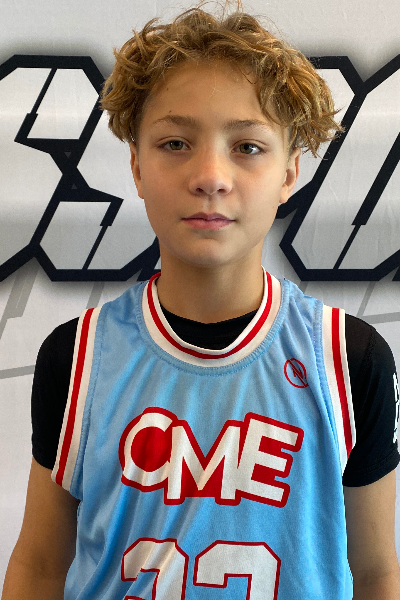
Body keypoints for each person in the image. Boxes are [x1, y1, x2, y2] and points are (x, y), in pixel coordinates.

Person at [2, 1, 400, 598]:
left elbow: (375, 571)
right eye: (175, 142)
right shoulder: (78, 357)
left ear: (290, 172)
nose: (211, 175)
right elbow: (38, 566)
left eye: (247, 147)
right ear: (136, 166)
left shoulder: (348, 359)